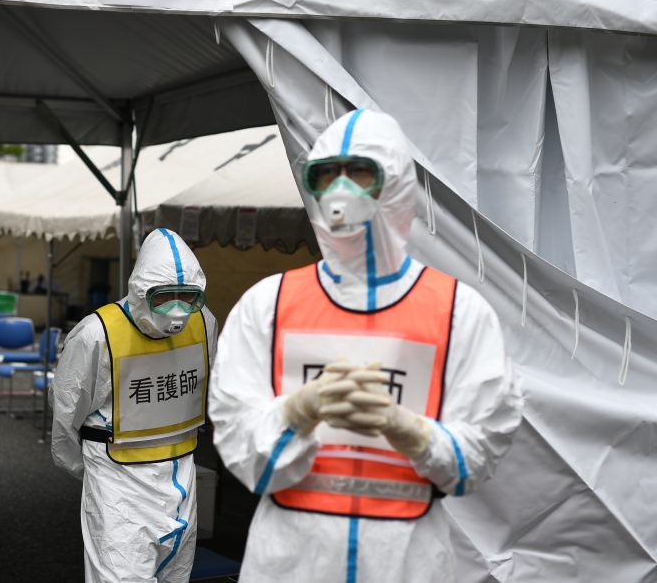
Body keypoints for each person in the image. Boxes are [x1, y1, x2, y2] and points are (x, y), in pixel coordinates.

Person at [208, 109, 523, 583]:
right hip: (291, 558)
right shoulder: (267, 307)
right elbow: (236, 438)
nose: (341, 191)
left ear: (395, 184)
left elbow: (478, 453)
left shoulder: (459, 312)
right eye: (326, 174)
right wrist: (297, 412)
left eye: (359, 172)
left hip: (406, 558)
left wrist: (409, 430)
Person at [52, 228, 219, 583]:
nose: (178, 311)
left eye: (187, 297)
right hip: (119, 487)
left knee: (176, 574)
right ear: (142, 292)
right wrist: (90, 473)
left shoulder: (203, 323)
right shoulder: (96, 334)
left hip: (181, 477)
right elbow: (67, 412)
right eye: (165, 297)